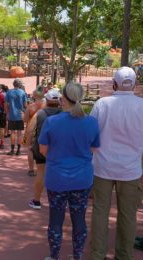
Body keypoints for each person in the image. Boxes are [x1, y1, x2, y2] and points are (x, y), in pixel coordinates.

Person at [39, 82, 100, 260]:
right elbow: (94, 149)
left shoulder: (52, 121)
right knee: (79, 219)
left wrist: (58, 155)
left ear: (63, 98)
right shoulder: (91, 122)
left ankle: (54, 256)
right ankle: (77, 255)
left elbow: (43, 150)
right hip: (82, 179)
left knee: (55, 220)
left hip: (57, 178)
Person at [89, 67, 143, 260]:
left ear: (114, 83)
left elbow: (91, 135)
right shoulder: (142, 106)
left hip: (102, 167)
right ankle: (124, 256)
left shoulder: (102, 104)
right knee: (128, 215)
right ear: (134, 84)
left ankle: (97, 255)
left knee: (100, 211)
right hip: (131, 170)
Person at [27, 89, 62, 210]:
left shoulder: (40, 113)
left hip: (41, 145)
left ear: (47, 100)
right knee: (58, 172)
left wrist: (29, 143)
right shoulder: (63, 113)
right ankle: (58, 200)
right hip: (59, 147)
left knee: (41, 172)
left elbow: (30, 129)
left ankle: (36, 200)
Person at [23, 90, 45, 177]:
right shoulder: (45, 106)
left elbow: (25, 120)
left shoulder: (31, 106)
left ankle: (31, 169)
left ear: (34, 96)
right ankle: (43, 169)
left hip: (32, 129)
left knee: (30, 149)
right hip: (43, 128)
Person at [5, 79, 28, 156]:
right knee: (20, 133)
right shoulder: (22, 92)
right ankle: (18, 150)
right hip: (20, 115)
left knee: (12, 133)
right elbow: (25, 105)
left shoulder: (9, 92)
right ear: (19, 85)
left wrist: (7, 113)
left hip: (12, 115)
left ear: (13, 84)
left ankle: (12, 150)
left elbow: (6, 104)